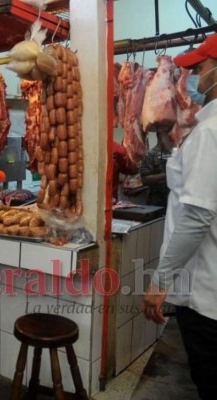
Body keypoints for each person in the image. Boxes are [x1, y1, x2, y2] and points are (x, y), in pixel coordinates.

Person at [143, 33, 217, 400]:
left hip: (207, 295)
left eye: (201, 67)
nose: (196, 77)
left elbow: (196, 218)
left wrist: (160, 283)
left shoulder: (211, 134)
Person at [139, 127, 173, 208]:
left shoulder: (174, 153)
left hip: (171, 202)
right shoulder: (151, 154)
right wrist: (167, 174)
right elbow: (145, 179)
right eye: (169, 135)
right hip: (155, 202)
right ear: (161, 136)